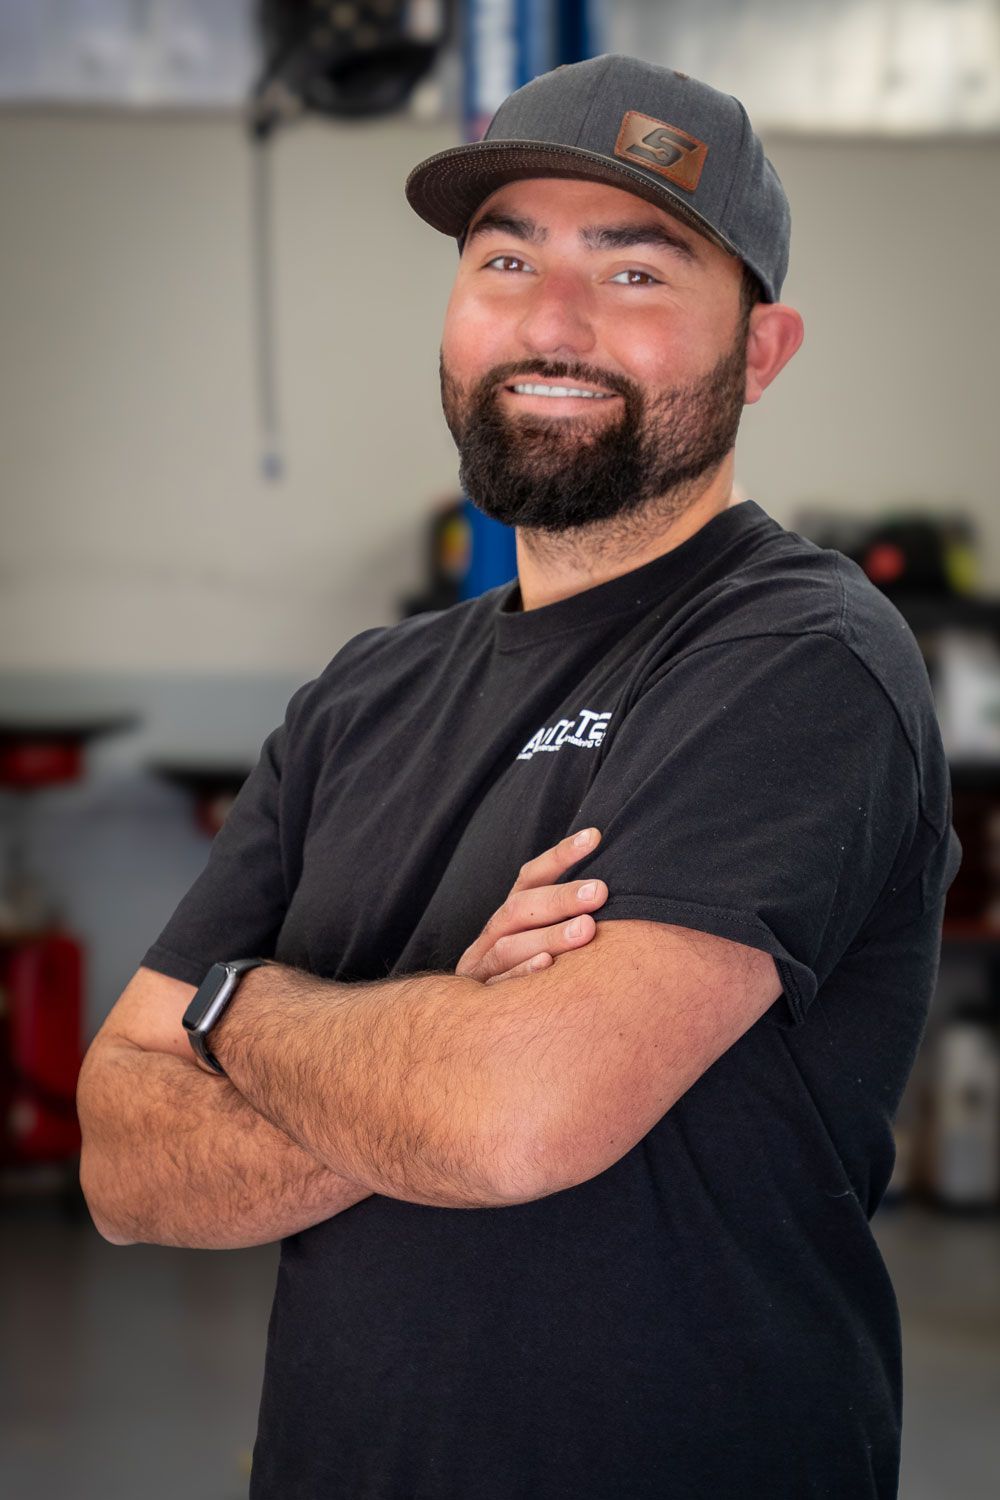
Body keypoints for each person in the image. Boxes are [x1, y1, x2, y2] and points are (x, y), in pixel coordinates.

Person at [78, 55, 962, 1499]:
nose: (551, 322)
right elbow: (121, 1163)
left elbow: (514, 1124)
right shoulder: (360, 697)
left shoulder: (805, 656)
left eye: (635, 272)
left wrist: (243, 1008)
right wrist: (430, 1052)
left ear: (765, 349)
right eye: (506, 257)